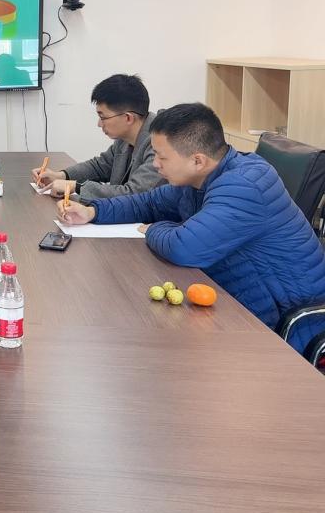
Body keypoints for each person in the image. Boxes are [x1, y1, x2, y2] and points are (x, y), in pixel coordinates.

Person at [58, 103, 325, 353]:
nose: (155, 164)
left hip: (287, 325)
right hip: (236, 300)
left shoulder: (244, 184)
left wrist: (154, 229)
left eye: (161, 157)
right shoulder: (199, 177)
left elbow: (183, 247)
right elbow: (148, 202)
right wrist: (93, 211)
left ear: (198, 160)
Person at [34, 73, 163, 201]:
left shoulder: (161, 143)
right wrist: (61, 176)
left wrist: (76, 187)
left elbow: (135, 193)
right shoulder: (124, 138)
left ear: (128, 118)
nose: (99, 124)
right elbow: (100, 166)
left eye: (103, 117)